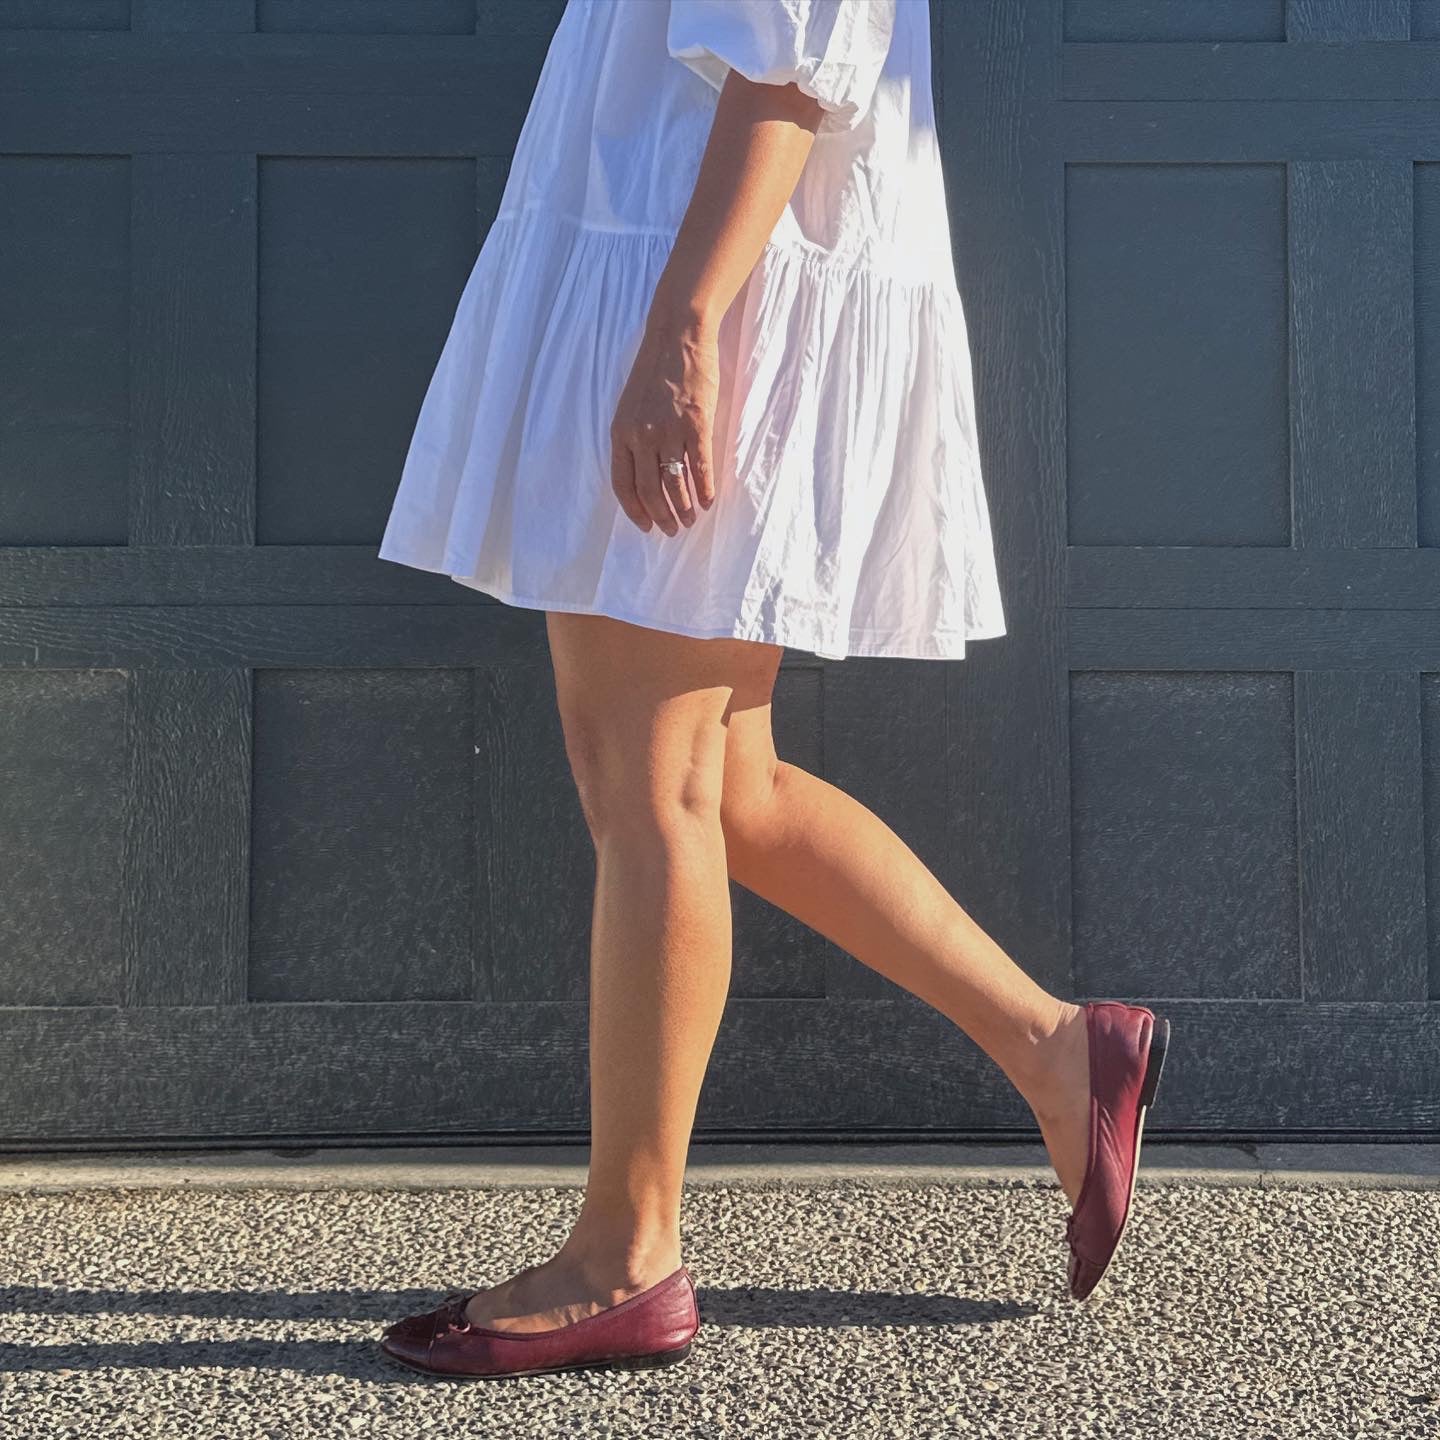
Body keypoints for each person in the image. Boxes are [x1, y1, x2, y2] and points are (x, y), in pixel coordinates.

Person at [376, 0, 1169, 1381]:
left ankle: (627, 1255)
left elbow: (788, 72)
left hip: (702, 290)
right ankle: (1058, 1048)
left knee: (655, 785)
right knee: (718, 781)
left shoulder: (692, 305)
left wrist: (684, 329)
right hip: (663, 264)